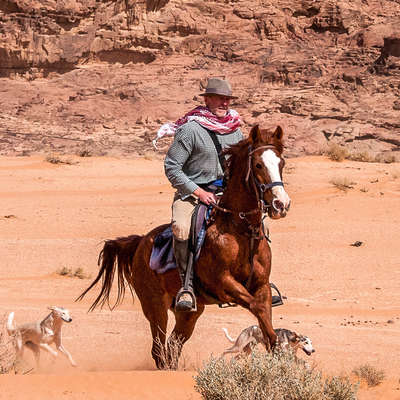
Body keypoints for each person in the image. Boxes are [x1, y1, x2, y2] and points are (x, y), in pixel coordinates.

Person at [164, 77, 243, 312]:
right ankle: (186, 286)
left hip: (225, 195)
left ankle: (258, 280)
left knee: (258, 224)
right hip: (193, 194)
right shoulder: (190, 130)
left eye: (227, 99)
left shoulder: (235, 130)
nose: (224, 103)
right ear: (207, 100)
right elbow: (172, 167)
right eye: (219, 98)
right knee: (181, 227)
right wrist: (198, 192)